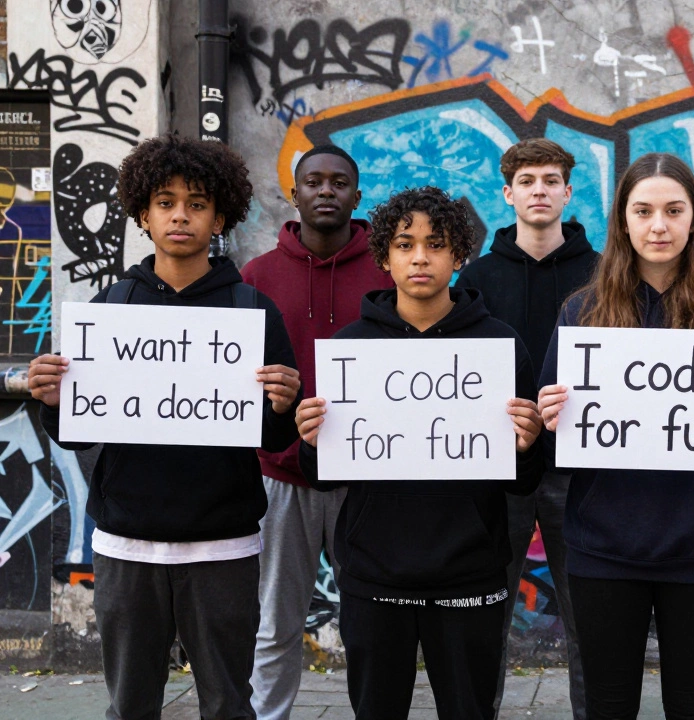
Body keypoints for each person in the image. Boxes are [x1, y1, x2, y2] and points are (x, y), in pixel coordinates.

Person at [28, 134, 302, 720]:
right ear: (144, 215)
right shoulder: (111, 308)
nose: (181, 214)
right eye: (166, 201)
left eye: (197, 203)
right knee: (130, 705)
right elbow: (77, 433)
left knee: (229, 703)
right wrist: (54, 400)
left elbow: (277, 442)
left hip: (223, 543)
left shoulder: (251, 311)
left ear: (219, 215)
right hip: (127, 542)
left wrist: (284, 403)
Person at [536, 153, 694, 719]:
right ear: (623, 220)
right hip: (602, 549)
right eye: (643, 211)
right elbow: (555, 449)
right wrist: (549, 418)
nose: (658, 226)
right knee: (609, 705)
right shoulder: (582, 313)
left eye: (674, 210)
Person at [294, 185, 544, 720]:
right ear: (385, 257)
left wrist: (528, 442)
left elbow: (523, 481)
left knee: (470, 710)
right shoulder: (349, 350)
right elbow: (323, 474)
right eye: (406, 245)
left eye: (437, 243)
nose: (421, 257)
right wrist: (311, 438)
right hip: (373, 573)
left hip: (470, 571)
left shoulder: (499, 347)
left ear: (460, 256)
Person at [242, 144, 394, 720]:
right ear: (295, 193)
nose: (326, 191)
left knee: (370, 624)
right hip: (281, 475)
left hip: (367, 475)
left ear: (357, 196)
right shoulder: (257, 276)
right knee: (275, 623)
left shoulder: (386, 270)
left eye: (338, 183)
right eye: (314, 182)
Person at [453, 138, 598, 719]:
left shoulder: (605, 274)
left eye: (551, 179)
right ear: (508, 193)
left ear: (568, 191)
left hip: (581, 473)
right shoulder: (476, 278)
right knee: (485, 613)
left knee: (589, 618)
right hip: (497, 471)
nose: (540, 189)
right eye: (528, 180)